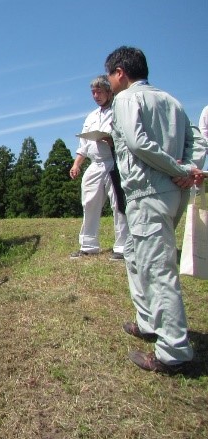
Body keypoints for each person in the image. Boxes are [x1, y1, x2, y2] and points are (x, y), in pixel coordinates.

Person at [105, 46, 206, 374]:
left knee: (159, 267)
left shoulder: (125, 100)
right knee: (136, 256)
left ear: (121, 72)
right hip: (170, 194)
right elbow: (197, 141)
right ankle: (148, 321)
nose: (109, 83)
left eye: (110, 75)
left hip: (148, 192)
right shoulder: (172, 101)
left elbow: (137, 143)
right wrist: (189, 166)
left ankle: (173, 351)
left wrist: (178, 170)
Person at [69, 75, 129, 261]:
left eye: (99, 91)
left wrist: (111, 140)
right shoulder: (91, 116)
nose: (96, 95)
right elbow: (84, 145)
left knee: (118, 205)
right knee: (89, 203)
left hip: (114, 162)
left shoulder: (119, 111)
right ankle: (88, 245)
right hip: (96, 164)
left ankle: (122, 247)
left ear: (109, 91)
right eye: (93, 92)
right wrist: (76, 164)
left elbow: (128, 137)